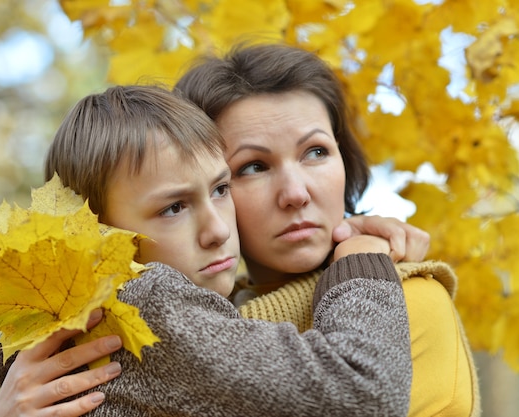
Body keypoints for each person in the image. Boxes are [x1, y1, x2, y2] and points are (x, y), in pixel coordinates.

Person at [0, 84, 413, 416]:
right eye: (173, 208)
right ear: (96, 235)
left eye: (221, 188)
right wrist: (360, 261)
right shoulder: (147, 307)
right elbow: (365, 393)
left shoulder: (58, 329)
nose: (217, 229)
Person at [175, 42, 480, 416]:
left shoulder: (408, 300)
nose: (295, 193)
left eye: (316, 152)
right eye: (253, 166)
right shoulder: (185, 322)